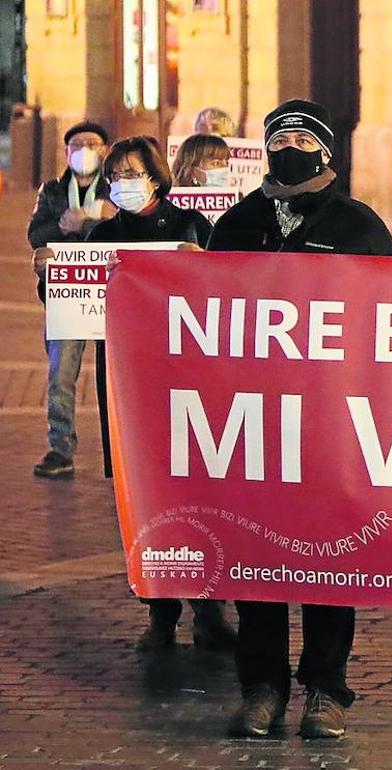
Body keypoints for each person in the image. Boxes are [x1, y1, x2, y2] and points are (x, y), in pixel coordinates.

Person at [207, 99, 392, 740]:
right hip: (253, 422)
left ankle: (326, 690)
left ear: (324, 150)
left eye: (301, 137)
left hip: (330, 422)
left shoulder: (357, 225)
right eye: (278, 137)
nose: (288, 146)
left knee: (328, 561)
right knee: (255, 559)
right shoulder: (237, 224)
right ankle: (261, 688)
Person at [80, 136, 228, 652]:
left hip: (185, 378)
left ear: (156, 176)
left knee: (195, 492)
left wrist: (199, 262)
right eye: (116, 173)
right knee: (142, 500)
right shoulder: (101, 235)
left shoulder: (191, 225)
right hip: (125, 379)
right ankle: (161, 611)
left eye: (133, 171)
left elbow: (228, 286)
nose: (124, 181)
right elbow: (71, 300)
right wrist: (45, 275)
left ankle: (209, 607)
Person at [27, 121, 115, 479]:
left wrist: (93, 221)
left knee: (118, 377)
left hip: (111, 294)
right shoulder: (52, 191)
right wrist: (62, 228)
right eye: (76, 144)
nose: (84, 150)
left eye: (92, 143)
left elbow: (128, 228)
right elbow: (36, 234)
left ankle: (121, 452)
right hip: (67, 296)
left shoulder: (118, 189)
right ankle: (60, 448)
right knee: (61, 374)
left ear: (106, 150)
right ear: (65, 153)